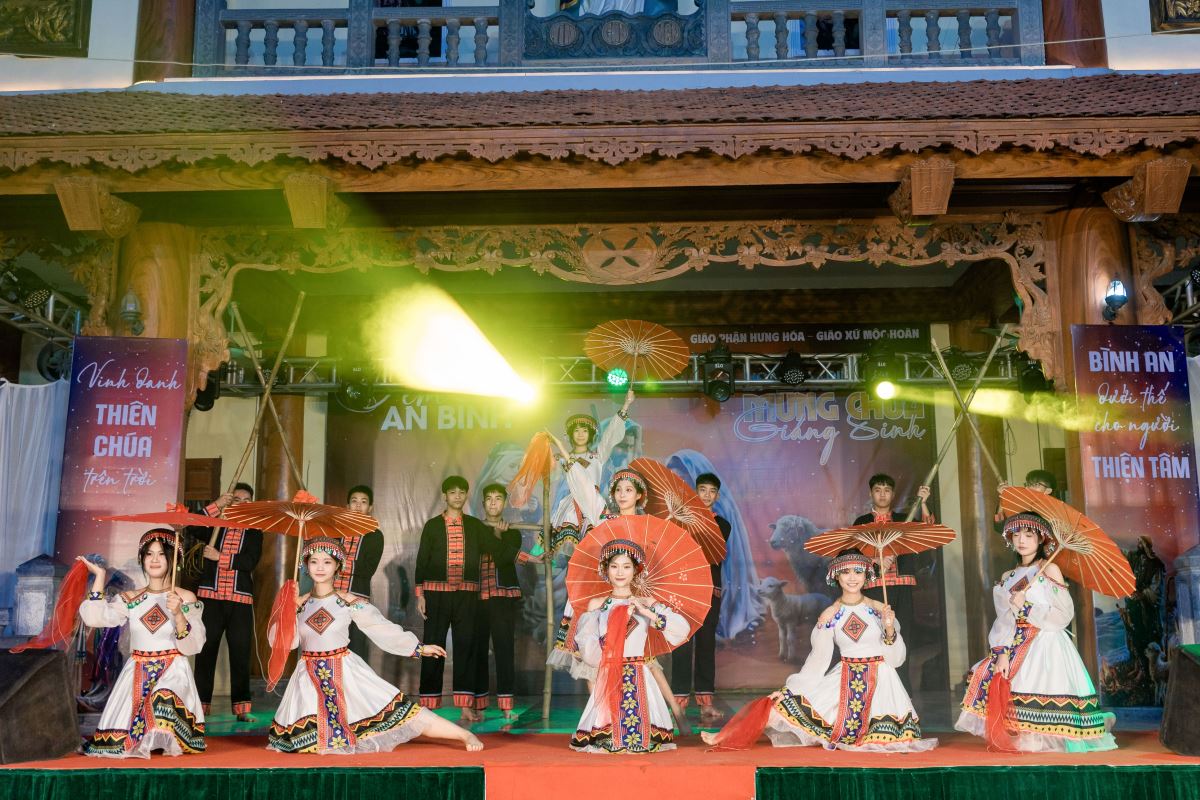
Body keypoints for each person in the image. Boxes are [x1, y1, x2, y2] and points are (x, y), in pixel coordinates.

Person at [703, 548, 935, 752]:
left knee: (886, 739)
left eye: (858, 571)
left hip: (883, 686)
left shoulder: (881, 610)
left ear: (866, 574)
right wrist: (790, 690)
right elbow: (818, 659)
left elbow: (896, 659)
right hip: (844, 681)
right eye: (846, 572)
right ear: (836, 576)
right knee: (778, 707)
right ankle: (726, 737)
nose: (852, 578)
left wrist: (889, 628)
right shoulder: (830, 615)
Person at [268, 536, 482, 754]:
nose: (320, 567)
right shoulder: (299, 604)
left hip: (345, 673)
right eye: (314, 561)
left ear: (338, 566)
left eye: (327, 562)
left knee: (408, 714)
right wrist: (288, 611)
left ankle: (464, 734)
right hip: (307, 678)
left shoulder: (348, 601)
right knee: (304, 742)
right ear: (306, 565)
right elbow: (287, 643)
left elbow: (380, 628)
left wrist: (418, 648)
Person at [956, 513, 1116, 752]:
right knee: (992, 677)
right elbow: (1003, 621)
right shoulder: (1007, 578)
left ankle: (1053, 734)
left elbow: (1063, 615)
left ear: (1041, 539)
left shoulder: (1049, 570)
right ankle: (1025, 732)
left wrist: (1026, 607)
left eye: (1029, 535)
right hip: (1016, 642)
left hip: (1046, 641)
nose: (1021, 540)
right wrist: (1002, 653)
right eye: (1017, 535)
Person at [78, 529, 207, 758]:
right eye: (149, 554)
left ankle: (164, 734)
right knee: (119, 738)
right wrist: (99, 576)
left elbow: (192, 646)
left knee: (163, 696)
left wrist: (178, 614)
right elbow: (95, 618)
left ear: (173, 559)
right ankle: (148, 736)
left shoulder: (185, 598)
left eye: (161, 554)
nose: (154, 559)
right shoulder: (131, 599)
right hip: (137, 670)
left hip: (173, 670)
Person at [543, 391, 634, 676]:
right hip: (572, 507)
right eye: (576, 430)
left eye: (585, 430)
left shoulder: (597, 455)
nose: (581, 434)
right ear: (571, 435)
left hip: (593, 508)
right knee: (573, 559)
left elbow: (610, 438)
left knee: (598, 557)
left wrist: (625, 406)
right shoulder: (563, 460)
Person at [569, 539, 689, 753]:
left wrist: (647, 613)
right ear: (605, 570)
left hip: (639, 675)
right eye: (614, 566)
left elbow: (682, 629)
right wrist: (618, 622)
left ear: (636, 570)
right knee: (607, 738)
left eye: (626, 566)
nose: (619, 572)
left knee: (645, 739)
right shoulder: (598, 604)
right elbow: (588, 652)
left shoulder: (646, 602)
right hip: (609, 675)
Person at [414, 475, 493, 720]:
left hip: (466, 595)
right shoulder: (432, 526)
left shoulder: (475, 526)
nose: (457, 496)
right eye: (452, 492)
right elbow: (422, 560)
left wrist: (529, 555)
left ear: (466, 495)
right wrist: (420, 594)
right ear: (444, 496)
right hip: (436, 594)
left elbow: (496, 549)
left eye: (461, 492)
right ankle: (428, 705)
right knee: (432, 647)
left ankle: (465, 706)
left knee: (465, 648)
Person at [853, 472, 932, 689]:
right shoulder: (862, 522)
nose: (882, 495)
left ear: (893, 494)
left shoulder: (904, 520)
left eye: (887, 490)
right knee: (874, 634)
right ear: (871, 493)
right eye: (878, 490)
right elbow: (855, 554)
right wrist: (875, 561)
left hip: (901, 586)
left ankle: (901, 689)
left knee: (901, 634)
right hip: (874, 587)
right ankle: (876, 687)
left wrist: (923, 503)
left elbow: (926, 532)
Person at [194, 482, 261, 722]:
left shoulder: (254, 531)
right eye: (236, 499)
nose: (241, 504)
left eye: (246, 501)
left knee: (241, 653)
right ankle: (200, 706)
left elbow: (249, 562)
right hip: (210, 598)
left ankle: (242, 709)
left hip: (239, 599)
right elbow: (193, 525)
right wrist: (216, 505)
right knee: (205, 651)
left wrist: (219, 557)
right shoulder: (216, 525)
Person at [475, 482, 540, 720]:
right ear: (483, 503)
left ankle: (506, 706)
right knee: (478, 651)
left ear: (504, 504)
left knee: (504, 650)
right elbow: (487, 547)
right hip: (477, 597)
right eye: (489, 498)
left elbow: (503, 557)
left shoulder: (513, 531)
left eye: (498, 499)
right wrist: (495, 535)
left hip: (503, 597)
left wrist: (499, 536)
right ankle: (479, 706)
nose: (493, 503)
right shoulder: (476, 529)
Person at [671, 471, 731, 722]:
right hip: (683, 588)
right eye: (702, 490)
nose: (706, 495)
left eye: (712, 491)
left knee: (706, 644)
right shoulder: (679, 521)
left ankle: (706, 704)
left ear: (717, 496)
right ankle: (679, 703)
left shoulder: (723, 525)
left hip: (709, 590)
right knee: (681, 643)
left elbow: (712, 551)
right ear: (695, 492)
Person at [340, 485, 385, 659]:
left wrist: (338, 563)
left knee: (356, 647)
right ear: (347, 506)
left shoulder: (375, 536)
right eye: (354, 501)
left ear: (370, 507)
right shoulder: (335, 532)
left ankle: (356, 678)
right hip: (331, 597)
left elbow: (367, 569)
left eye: (363, 502)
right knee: (331, 644)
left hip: (358, 599)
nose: (358, 505)